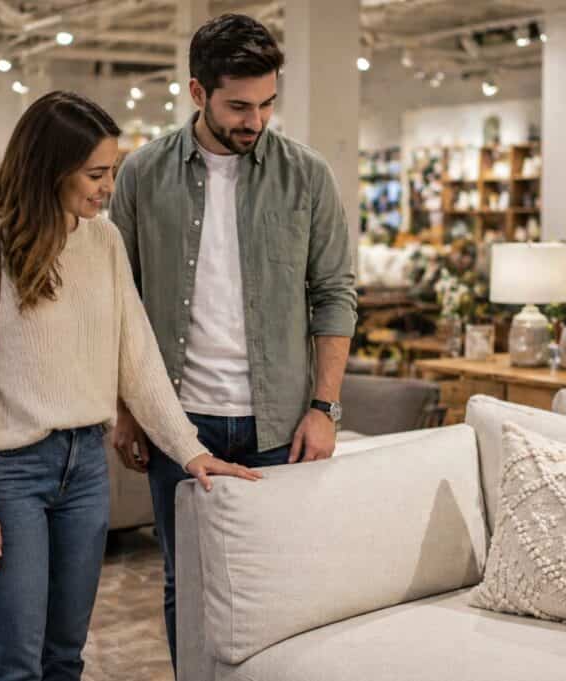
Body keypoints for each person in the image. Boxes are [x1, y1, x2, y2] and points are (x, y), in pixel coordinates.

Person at [0, 90, 261, 681]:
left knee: (65, 657)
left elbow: (139, 360)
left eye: (112, 171)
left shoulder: (103, 241)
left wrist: (192, 452)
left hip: (85, 468)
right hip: (9, 474)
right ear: (49, 168)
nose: (109, 187)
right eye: (96, 173)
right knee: (13, 662)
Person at [110, 13, 358, 670]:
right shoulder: (141, 174)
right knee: (183, 582)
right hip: (177, 422)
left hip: (280, 424)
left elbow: (335, 292)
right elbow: (120, 301)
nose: (255, 120)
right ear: (198, 94)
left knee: (281, 582)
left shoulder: (306, 176)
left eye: (267, 103)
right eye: (239, 106)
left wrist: (324, 406)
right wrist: (128, 406)